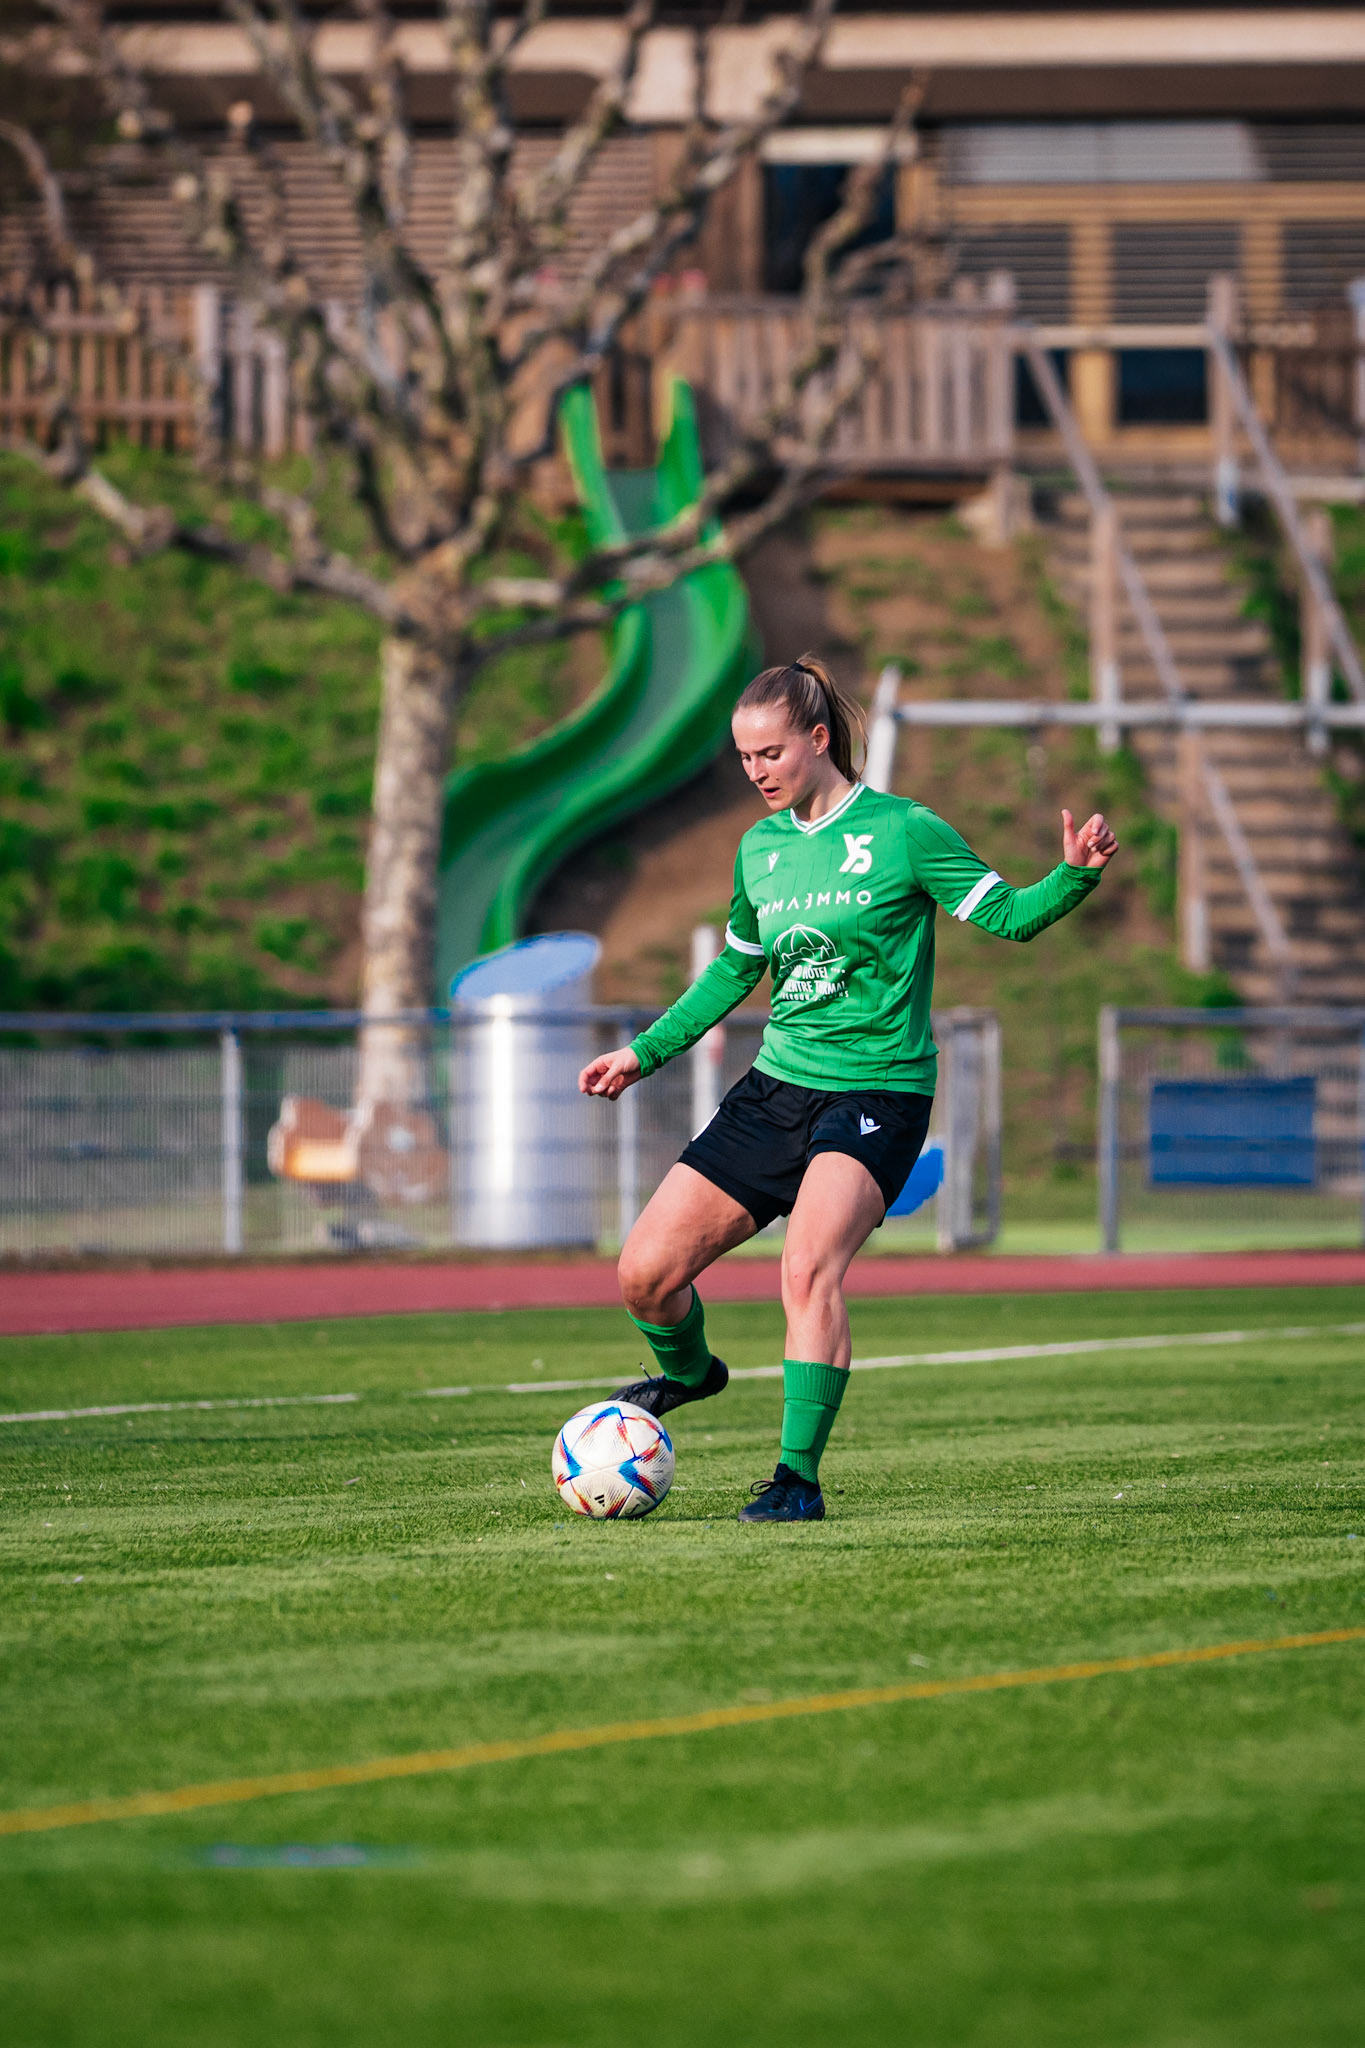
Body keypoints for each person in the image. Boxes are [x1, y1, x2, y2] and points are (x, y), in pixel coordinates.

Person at [577, 655, 1118, 1522]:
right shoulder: (759, 850)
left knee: (807, 1267)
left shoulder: (905, 831)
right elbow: (734, 971)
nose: (756, 772)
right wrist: (644, 1054)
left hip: (877, 1094)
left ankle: (796, 1481)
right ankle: (690, 1376)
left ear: (819, 739)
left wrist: (1073, 875)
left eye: (771, 753)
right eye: (745, 758)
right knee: (644, 1275)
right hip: (774, 1092)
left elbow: (1008, 918)